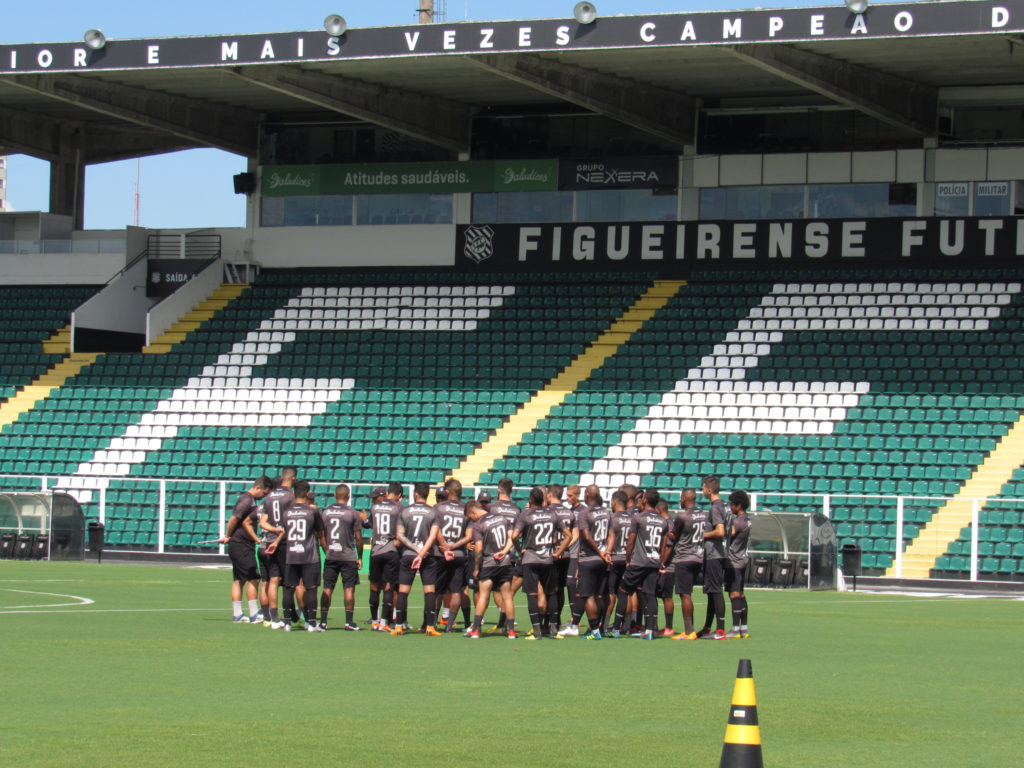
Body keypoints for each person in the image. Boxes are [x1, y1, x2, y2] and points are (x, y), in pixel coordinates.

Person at [510, 486, 571, 639]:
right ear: (543, 500)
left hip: (530, 558)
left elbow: (514, 536)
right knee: (551, 594)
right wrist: (558, 552)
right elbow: (568, 536)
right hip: (548, 559)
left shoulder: (526, 515)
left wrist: (520, 549)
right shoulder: (552, 514)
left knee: (532, 595)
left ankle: (536, 631)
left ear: (531, 500)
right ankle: (553, 630)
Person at [609, 489, 669, 640]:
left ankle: (616, 628)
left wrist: (628, 559)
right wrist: (660, 561)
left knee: (623, 590)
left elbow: (631, 541)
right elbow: (664, 544)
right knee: (650, 594)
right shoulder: (663, 521)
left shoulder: (638, 518)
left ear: (646, 500)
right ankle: (650, 630)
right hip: (654, 561)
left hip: (639, 561)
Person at [219, 475, 273, 623]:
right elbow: (234, 519)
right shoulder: (247, 500)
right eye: (264, 493)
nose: (264, 496)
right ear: (258, 488)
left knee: (239, 580)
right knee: (254, 579)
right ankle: (254, 614)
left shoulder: (249, 500)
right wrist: (228, 535)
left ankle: (237, 614)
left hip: (238, 544)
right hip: (241, 545)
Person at [559, 484, 610, 639]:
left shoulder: (584, 513)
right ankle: (599, 627)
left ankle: (594, 630)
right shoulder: (607, 512)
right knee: (600, 595)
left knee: (587, 595)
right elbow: (612, 534)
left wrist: (597, 552)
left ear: (587, 494)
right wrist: (606, 551)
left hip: (589, 558)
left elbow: (586, 537)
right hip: (604, 558)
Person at [392, 482, 441, 636]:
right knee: (430, 591)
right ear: (427, 494)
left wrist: (415, 550)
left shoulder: (405, 512)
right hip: (427, 555)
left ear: (415, 494)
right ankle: (430, 627)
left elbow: (399, 535)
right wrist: (422, 553)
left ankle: (398, 626)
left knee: (403, 591)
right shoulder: (433, 513)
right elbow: (433, 536)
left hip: (408, 555)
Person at [465, 500, 517, 638]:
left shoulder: (478, 525)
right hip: (505, 563)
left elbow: (479, 548)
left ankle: (476, 629)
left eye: (471, 517)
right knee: (507, 597)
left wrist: (476, 568)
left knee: (483, 596)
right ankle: (511, 631)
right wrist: (505, 551)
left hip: (488, 564)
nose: (472, 519)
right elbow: (512, 537)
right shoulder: (502, 518)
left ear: (473, 512)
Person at [662, 488, 707, 641]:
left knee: (684, 594)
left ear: (684, 499)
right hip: (698, 556)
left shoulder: (683, 516)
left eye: (681, 498)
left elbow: (673, 535)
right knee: (688, 593)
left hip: (684, 558)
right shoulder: (702, 514)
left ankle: (689, 631)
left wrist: (668, 534)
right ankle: (690, 629)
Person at [281, 480, 325, 633]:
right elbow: (320, 532)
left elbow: (284, 531)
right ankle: (312, 623)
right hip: (309, 555)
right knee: (311, 588)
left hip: (291, 554)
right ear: (307, 493)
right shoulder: (312, 511)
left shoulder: (286, 512)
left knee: (289, 588)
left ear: (293, 493)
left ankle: (287, 622)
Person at [320, 483, 363, 631]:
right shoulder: (352, 513)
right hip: (348, 556)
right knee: (349, 589)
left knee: (327, 588)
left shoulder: (325, 512)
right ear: (348, 496)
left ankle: (323, 622)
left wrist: (328, 551)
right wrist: (360, 557)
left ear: (334, 495)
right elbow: (358, 538)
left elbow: (322, 536)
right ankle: (349, 622)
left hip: (331, 555)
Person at [258, 467, 296, 627]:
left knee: (273, 580)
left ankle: (274, 619)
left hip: (268, 541)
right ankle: (291, 615)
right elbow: (290, 520)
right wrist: (280, 534)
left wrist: (273, 530)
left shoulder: (269, 497)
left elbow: (262, 522)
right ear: (292, 479)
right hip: (284, 542)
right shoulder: (290, 496)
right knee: (290, 581)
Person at [435, 478, 472, 633]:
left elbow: (435, 530)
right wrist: (454, 546)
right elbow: (469, 536)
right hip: (459, 554)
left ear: (447, 492)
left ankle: (431, 622)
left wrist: (445, 546)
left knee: (437, 590)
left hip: (441, 554)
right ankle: (449, 624)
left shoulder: (438, 507)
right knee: (457, 590)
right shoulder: (466, 510)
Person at [485, 478, 522, 634]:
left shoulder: (491, 508)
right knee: (507, 592)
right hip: (511, 553)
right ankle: (505, 623)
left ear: (499, 490)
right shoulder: (517, 510)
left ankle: (503, 624)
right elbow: (518, 533)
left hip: (495, 554)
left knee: (496, 591)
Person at [696, 475, 729, 640]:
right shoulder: (726, 505)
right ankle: (708, 627)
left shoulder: (715, 507)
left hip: (715, 554)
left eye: (703, 488)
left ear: (709, 490)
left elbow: (720, 531)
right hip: (722, 552)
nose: (702, 491)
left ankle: (720, 629)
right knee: (711, 591)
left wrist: (702, 535)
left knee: (715, 590)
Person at [368, 483, 403, 631]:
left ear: (388, 492)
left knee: (374, 587)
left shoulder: (375, 507)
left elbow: (368, 523)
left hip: (376, 550)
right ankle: (384, 622)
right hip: (391, 550)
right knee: (389, 587)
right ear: (399, 496)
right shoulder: (399, 508)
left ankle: (374, 621)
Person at [545, 484, 577, 634]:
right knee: (560, 589)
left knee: (549, 589)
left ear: (550, 494)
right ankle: (556, 621)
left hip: (551, 555)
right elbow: (575, 535)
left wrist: (557, 548)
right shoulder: (569, 513)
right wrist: (564, 547)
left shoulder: (547, 511)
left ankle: (548, 622)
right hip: (566, 555)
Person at [725, 490, 751, 639]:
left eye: (732, 504)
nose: (730, 507)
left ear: (739, 505)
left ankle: (735, 629)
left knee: (734, 593)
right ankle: (744, 628)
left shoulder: (738, 522)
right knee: (741, 594)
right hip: (742, 559)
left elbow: (729, 534)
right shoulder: (747, 520)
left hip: (734, 561)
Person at [604, 490, 632, 630]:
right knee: (624, 593)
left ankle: (605, 624)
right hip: (627, 560)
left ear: (613, 502)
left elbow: (608, 537)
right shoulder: (633, 518)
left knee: (611, 592)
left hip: (614, 558)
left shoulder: (612, 518)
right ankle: (624, 626)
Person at [563, 483, 586, 634]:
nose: (568, 498)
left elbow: (578, 535)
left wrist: (565, 546)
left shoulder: (583, 511)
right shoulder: (569, 512)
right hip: (570, 553)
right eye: (567, 495)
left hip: (579, 554)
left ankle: (576, 619)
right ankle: (573, 618)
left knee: (573, 584)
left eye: (570, 495)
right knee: (569, 584)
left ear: (577, 495)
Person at [654, 497, 676, 636]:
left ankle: (668, 627)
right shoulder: (671, 522)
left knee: (666, 596)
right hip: (667, 566)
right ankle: (663, 627)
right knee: (661, 595)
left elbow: (668, 546)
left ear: (660, 510)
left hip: (667, 567)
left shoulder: (667, 524)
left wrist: (661, 562)